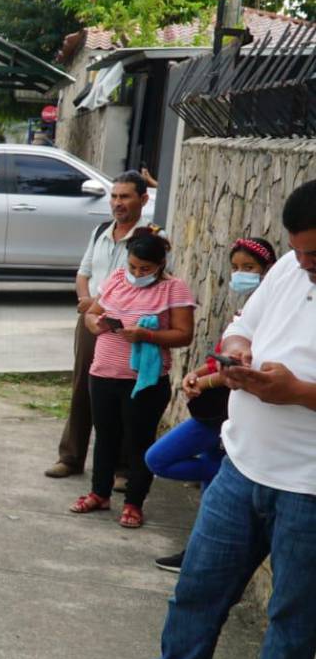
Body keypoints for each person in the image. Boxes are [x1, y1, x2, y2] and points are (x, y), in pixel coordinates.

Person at [96, 179, 316, 659]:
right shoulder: (291, 268)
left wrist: (298, 393)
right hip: (242, 464)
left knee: (293, 617)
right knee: (198, 588)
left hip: (309, 488)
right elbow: (242, 324)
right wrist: (237, 352)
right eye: (299, 250)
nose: (304, 262)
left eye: (314, 252)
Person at [145, 236, 277, 572]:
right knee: (209, 496)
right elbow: (223, 358)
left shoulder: (274, 316)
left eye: (249, 268)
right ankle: (196, 553)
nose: (240, 275)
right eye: (235, 268)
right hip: (219, 409)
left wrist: (205, 381)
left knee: (158, 458)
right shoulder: (246, 312)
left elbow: (246, 368)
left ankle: (200, 548)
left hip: (227, 412)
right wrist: (197, 373)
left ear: (270, 271)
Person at [69, 228, 194, 528]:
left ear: (161, 264)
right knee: (106, 436)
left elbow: (184, 334)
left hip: (144, 380)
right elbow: (93, 312)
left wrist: (146, 335)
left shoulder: (174, 289)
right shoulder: (115, 279)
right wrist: (95, 323)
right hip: (103, 372)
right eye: (134, 266)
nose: (138, 273)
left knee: (138, 441)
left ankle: (134, 503)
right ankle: (99, 493)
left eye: (145, 269)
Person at [47, 171, 160, 480]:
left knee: (124, 393)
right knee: (83, 386)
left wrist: (100, 304)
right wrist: (86, 304)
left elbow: (152, 281)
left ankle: (122, 468)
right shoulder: (99, 232)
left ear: (143, 199)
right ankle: (70, 457)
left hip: (125, 327)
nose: (118, 203)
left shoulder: (151, 237)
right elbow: (83, 272)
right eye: (114, 196)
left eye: (125, 197)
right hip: (91, 321)